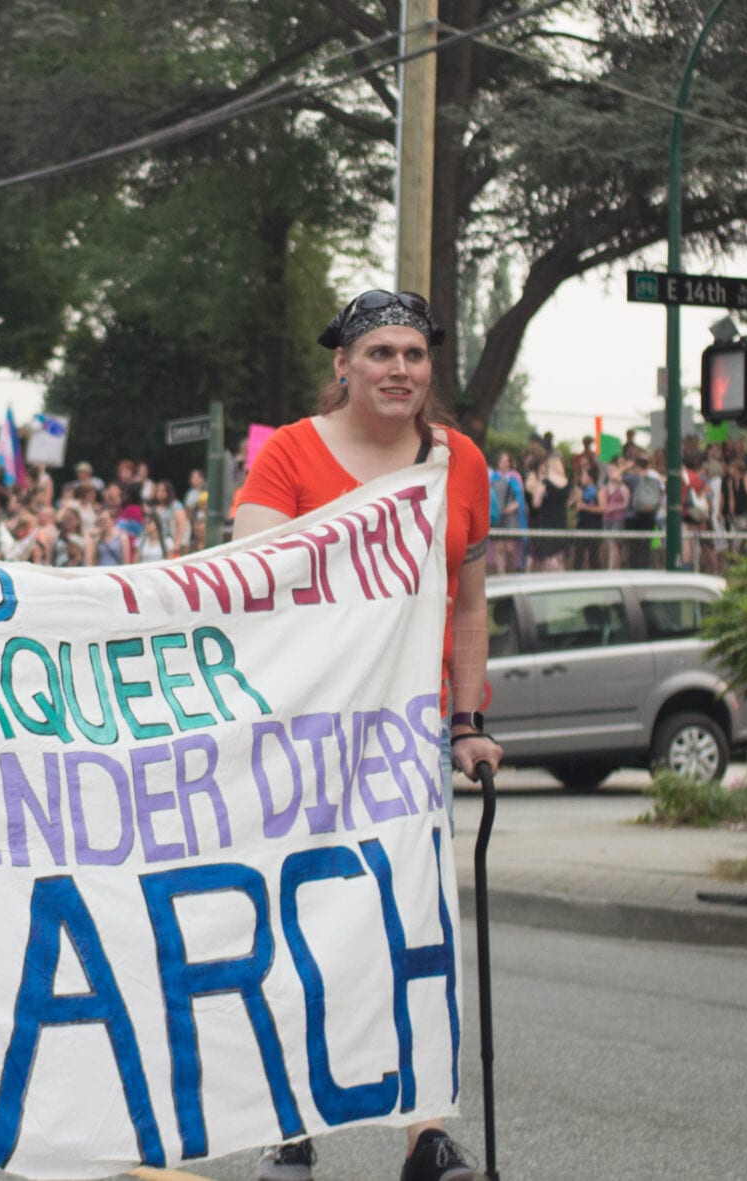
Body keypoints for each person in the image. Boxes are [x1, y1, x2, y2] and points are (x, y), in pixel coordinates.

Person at [231, 290, 498, 1181]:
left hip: (405, 735)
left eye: (414, 355)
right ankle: (288, 1121)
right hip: (304, 730)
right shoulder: (290, 454)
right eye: (380, 352)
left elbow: (469, 603)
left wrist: (467, 720)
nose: (399, 369)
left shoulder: (459, 462)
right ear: (343, 363)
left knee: (411, 923)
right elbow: (251, 580)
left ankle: (426, 1133)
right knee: (300, 923)